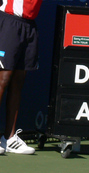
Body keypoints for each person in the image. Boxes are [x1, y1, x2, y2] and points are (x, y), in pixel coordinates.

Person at [0, 0, 42, 155]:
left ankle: (9, 138)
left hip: (28, 25)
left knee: (18, 82)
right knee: (3, 79)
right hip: (8, 21)